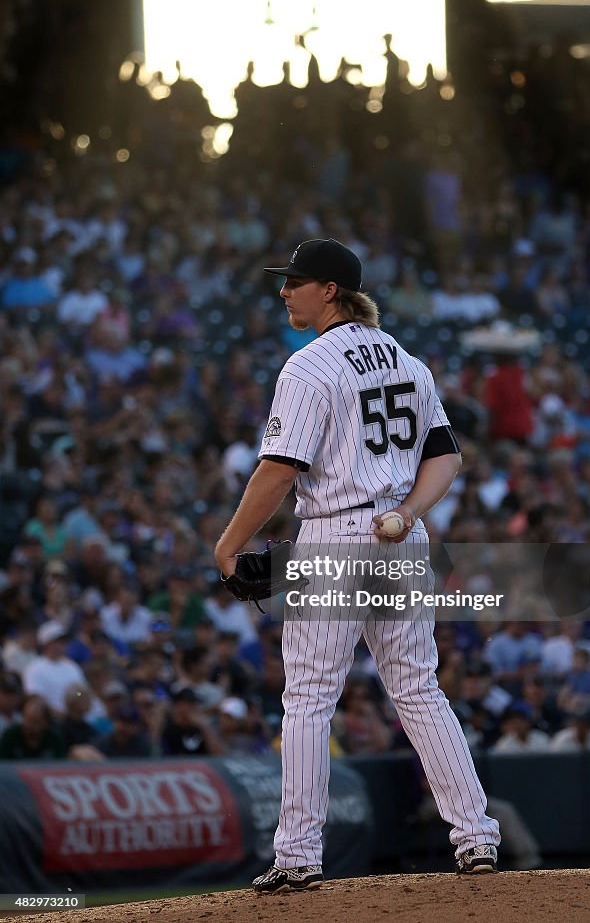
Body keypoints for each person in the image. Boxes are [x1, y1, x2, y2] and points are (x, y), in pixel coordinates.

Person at [215, 238, 500, 894]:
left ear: (331, 292)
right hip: (399, 534)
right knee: (419, 689)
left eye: (296, 281)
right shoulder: (406, 359)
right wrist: (406, 511)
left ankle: (297, 854)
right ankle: (476, 837)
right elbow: (446, 456)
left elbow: (278, 470)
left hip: (336, 532)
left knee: (309, 698)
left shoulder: (309, 365)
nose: (284, 291)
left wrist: (228, 543)